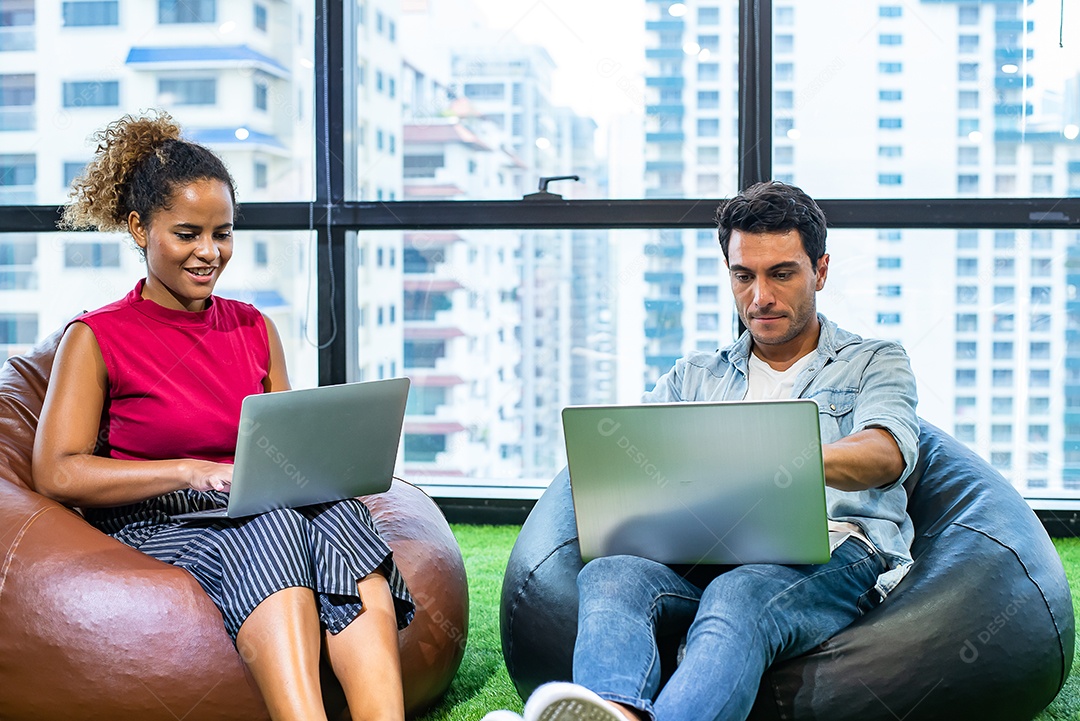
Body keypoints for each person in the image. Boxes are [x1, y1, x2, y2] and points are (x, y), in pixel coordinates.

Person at [483, 181, 920, 721]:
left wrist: (770, 459)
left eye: (781, 273)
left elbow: (885, 454)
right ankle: (616, 711)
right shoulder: (694, 376)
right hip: (706, 556)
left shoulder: (874, 360)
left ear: (820, 271)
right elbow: (627, 461)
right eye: (744, 276)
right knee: (611, 573)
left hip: (835, 553)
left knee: (740, 594)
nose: (760, 297)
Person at [34, 111, 414, 721]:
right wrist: (188, 472)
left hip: (252, 500)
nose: (209, 253)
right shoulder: (97, 337)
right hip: (155, 515)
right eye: (187, 234)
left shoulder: (254, 326)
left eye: (223, 233)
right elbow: (57, 471)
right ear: (139, 228)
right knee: (275, 528)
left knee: (340, 515)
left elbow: (290, 437)